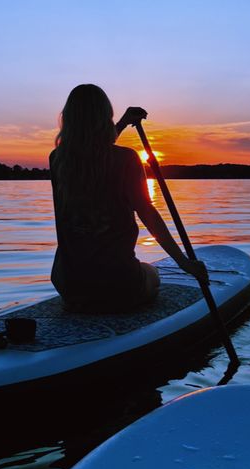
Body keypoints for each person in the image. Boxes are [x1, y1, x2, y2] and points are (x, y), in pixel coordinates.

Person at [49, 84, 208, 313]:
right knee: (152, 273)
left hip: (69, 285)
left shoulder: (58, 160)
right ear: (105, 117)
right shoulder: (126, 159)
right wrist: (184, 263)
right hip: (118, 287)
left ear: (68, 118)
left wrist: (123, 123)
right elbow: (147, 213)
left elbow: (92, 154)